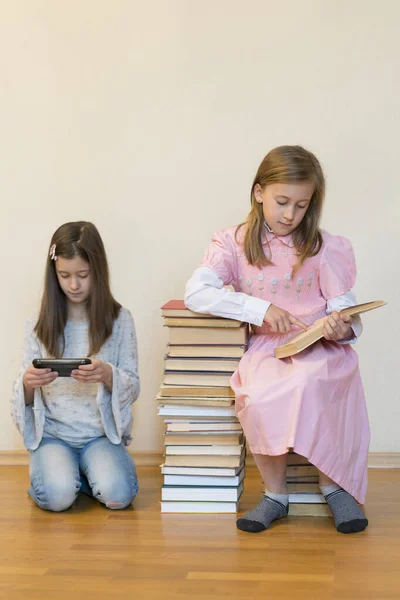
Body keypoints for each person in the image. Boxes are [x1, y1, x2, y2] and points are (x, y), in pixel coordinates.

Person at [184, 145, 369, 534]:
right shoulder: (232, 243)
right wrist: (260, 310)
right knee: (257, 394)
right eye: (282, 201)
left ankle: (336, 488)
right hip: (269, 347)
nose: (290, 214)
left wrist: (341, 326)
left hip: (320, 346)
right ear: (258, 192)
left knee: (312, 381)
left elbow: (345, 308)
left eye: (301, 206)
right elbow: (196, 293)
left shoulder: (322, 246)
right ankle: (275, 495)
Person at [12, 221, 139, 512]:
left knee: (118, 495)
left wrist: (108, 375)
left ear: (98, 270)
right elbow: (24, 393)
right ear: (53, 274)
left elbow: (133, 383)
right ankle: (65, 473)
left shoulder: (120, 320)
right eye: (64, 275)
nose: (73, 285)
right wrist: (29, 383)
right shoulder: (38, 324)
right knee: (56, 499)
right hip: (54, 436)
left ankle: (84, 473)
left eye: (83, 275)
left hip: (100, 436)